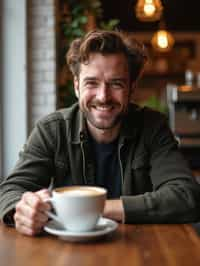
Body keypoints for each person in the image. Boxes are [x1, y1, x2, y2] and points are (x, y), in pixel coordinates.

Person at [0, 30, 200, 236]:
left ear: (131, 88)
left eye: (116, 84)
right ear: (77, 86)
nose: (103, 96)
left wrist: (89, 210)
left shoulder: (152, 127)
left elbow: (186, 196)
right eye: (91, 83)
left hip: (139, 249)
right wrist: (23, 210)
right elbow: (10, 190)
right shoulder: (52, 129)